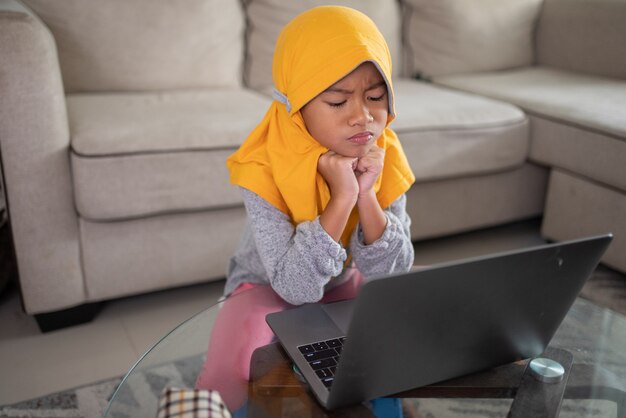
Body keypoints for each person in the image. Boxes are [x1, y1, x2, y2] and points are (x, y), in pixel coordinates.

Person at [195, 5, 416, 412]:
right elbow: (293, 288)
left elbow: (392, 272)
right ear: (295, 106)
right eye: (337, 101)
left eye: (375, 96)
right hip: (267, 283)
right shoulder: (263, 163)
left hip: (343, 279)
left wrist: (366, 194)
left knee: (392, 333)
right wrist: (341, 199)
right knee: (245, 341)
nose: (362, 117)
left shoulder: (384, 154)